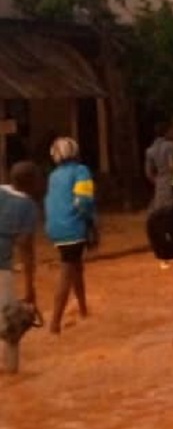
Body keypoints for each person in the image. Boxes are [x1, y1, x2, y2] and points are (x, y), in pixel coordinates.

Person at [44, 137, 96, 335]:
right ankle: (55, 322)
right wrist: (90, 223)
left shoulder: (54, 176)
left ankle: (83, 308)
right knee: (67, 271)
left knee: (76, 266)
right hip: (72, 227)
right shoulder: (81, 171)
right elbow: (84, 201)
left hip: (55, 228)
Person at [0, 162, 43, 373]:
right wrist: (30, 287)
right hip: (1, 266)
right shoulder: (28, 207)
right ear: (32, 183)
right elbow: (26, 248)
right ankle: (11, 371)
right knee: (11, 323)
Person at [145, 121, 173, 213]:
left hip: (160, 182)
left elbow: (148, 173)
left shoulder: (150, 150)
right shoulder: (170, 146)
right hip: (171, 180)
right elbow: (172, 165)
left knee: (160, 210)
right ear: (167, 131)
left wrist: (157, 180)